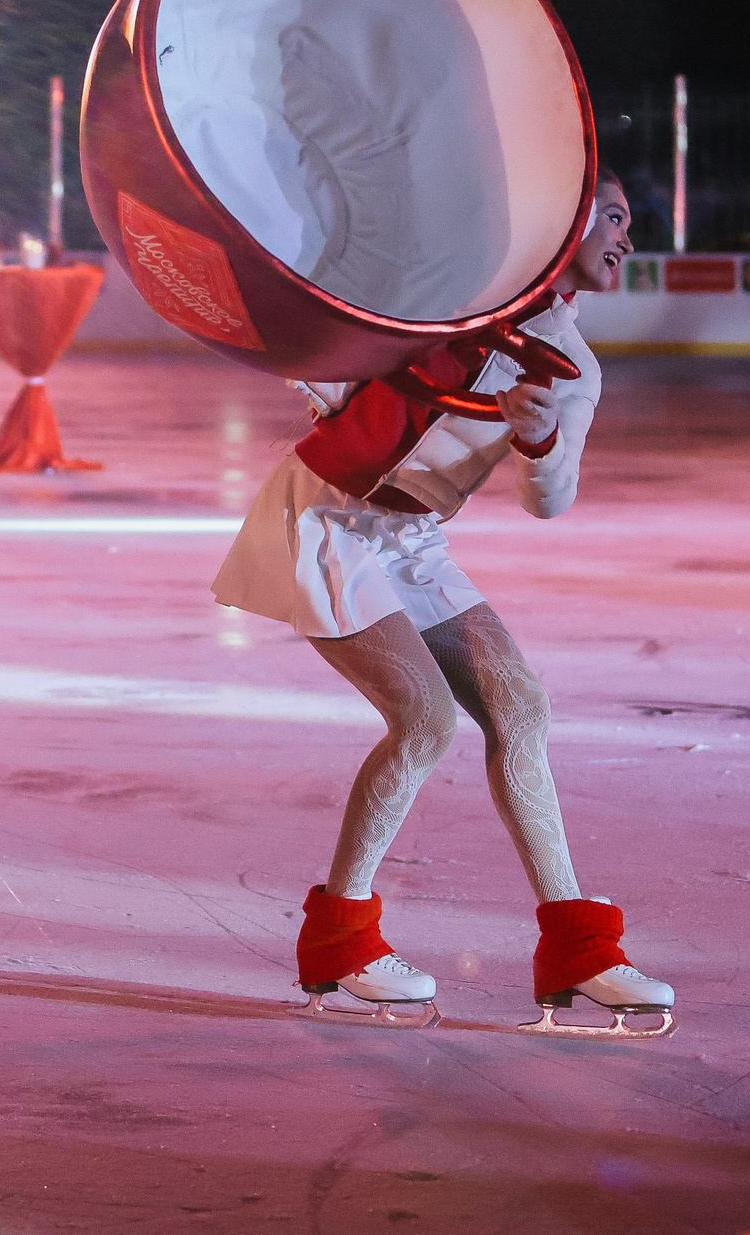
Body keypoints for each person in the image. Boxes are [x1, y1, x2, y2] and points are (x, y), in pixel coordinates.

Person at [212, 173, 677, 1036]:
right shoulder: (451, 294)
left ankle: (576, 943)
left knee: (521, 708)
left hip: (413, 540)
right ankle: (340, 938)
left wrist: (537, 439)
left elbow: (552, 498)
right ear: (562, 220)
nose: (627, 237)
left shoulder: (574, 367)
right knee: (424, 722)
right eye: (611, 216)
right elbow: (338, 340)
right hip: (327, 518)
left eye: (628, 222)